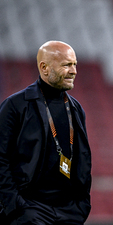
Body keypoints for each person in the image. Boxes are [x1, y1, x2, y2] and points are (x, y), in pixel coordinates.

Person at [0, 41, 92, 225]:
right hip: (30, 210)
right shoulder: (15, 106)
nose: (74, 71)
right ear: (44, 67)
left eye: (75, 64)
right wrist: (15, 206)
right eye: (67, 65)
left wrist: (81, 206)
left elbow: (83, 160)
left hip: (69, 212)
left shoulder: (75, 109)